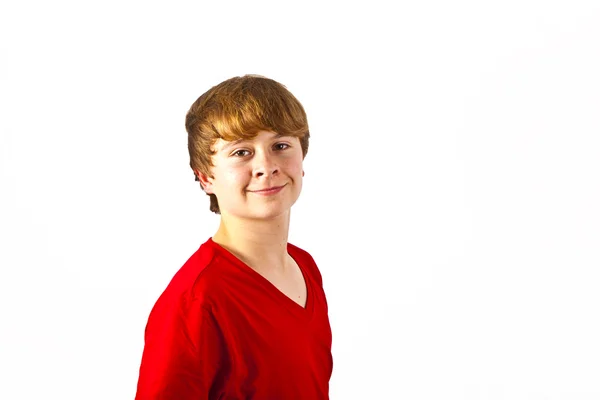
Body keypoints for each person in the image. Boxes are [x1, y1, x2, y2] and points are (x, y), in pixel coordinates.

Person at [135, 75, 333, 399]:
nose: (266, 167)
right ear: (205, 177)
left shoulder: (305, 267)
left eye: (280, 146)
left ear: (302, 159)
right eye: (241, 152)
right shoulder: (196, 302)